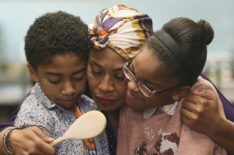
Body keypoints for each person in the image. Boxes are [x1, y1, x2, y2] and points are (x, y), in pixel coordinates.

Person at [0, 4, 234, 155]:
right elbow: (14, 126)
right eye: (95, 70)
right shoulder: (77, 88)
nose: (104, 87)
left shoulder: (187, 89)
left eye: (122, 74)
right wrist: (10, 139)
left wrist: (219, 128)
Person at [1, 11, 109, 155]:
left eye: (78, 77)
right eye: (55, 80)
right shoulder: (35, 117)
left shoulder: (87, 103)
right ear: (33, 72)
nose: (69, 89)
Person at [117, 17, 227, 154]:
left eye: (147, 86)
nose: (132, 86)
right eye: (132, 70)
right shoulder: (134, 98)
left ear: (179, 93)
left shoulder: (199, 101)